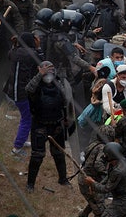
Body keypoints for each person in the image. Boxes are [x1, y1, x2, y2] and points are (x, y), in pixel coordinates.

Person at [25, 61, 74, 192]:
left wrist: (66, 119)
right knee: (37, 156)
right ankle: (30, 184)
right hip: (40, 124)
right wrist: (40, 75)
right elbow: (28, 90)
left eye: (51, 68)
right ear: (40, 69)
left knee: (59, 154)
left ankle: (63, 179)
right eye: (46, 68)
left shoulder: (58, 83)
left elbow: (65, 101)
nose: (49, 71)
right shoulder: (36, 84)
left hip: (56, 124)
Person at [6, 33, 40, 157]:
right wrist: (39, 46)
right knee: (27, 119)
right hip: (21, 92)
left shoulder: (15, 52)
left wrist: (15, 44)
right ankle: (17, 148)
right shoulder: (31, 53)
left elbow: (10, 53)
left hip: (14, 90)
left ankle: (22, 139)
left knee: (25, 116)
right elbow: (41, 62)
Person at [84, 142, 126, 217]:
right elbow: (108, 177)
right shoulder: (115, 163)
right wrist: (95, 186)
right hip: (121, 199)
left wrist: (92, 183)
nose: (104, 156)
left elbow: (106, 189)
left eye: (106, 154)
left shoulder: (118, 171)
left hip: (124, 202)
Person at [78, 125, 115, 217]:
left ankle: (83, 215)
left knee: (94, 201)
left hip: (84, 178)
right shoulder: (103, 147)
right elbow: (98, 164)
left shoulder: (93, 144)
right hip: (89, 181)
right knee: (100, 210)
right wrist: (108, 174)